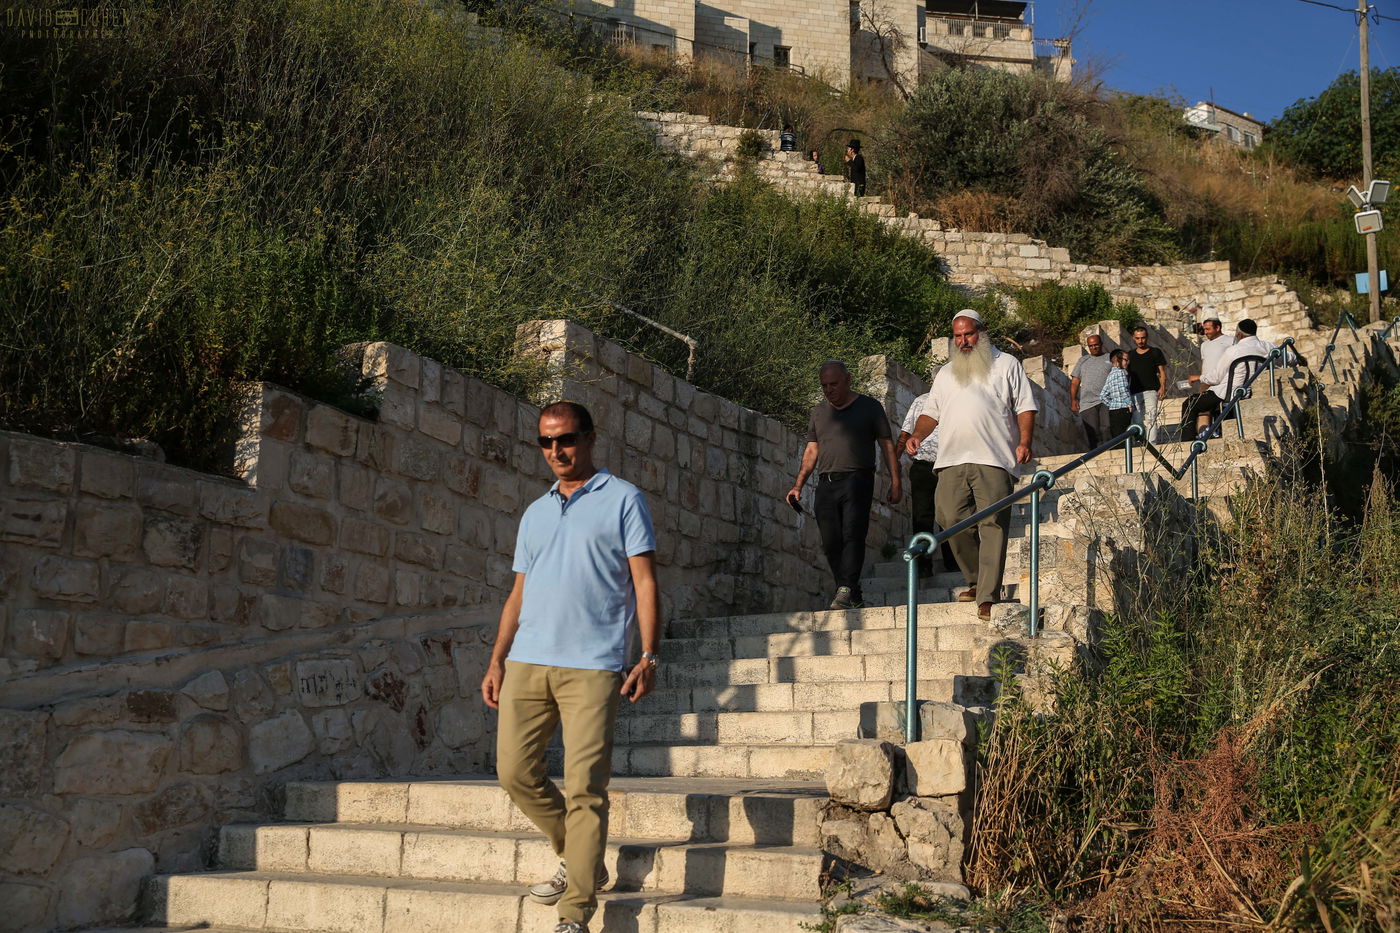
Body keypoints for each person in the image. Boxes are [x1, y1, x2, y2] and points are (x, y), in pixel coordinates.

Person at [481, 401, 660, 933]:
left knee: (585, 787)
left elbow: (645, 582)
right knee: (514, 772)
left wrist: (647, 654)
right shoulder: (534, 512)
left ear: (589, 438)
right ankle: (582, 860)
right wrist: (496, 658)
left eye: (566, 439)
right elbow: (518, 594)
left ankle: (575, 913)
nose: (557, 451)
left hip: (593, 664)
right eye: (546, 442)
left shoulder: (624, 499)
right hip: (527, 662)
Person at [905, 310, 1038, 622]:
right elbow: (931, 412)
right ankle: (977, 579)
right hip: (950, 459)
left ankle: (988, 595)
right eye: (958, 336)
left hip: (993, 458)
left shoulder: (1006, 364)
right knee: (949, 518)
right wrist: (917, 436)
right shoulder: (947, 373)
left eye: (969, 334)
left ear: (982, 332)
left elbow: (1025, 406)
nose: (963, 341)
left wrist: (1025, 441)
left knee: (992, 524)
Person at [787, 360, 902, 610]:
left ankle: (845, 589)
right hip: (826, 483)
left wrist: (895, 481)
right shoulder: (819, 412)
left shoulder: (870, 407)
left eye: (834, 384)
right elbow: (811, 450)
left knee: (853, 534)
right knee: (831, 541)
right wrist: (798, 486)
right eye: (824, 385)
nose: (829, 390)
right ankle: (854, 592)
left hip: (857, 479)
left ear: (848, 380)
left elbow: (887, 445)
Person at [897, 384, 958, 579]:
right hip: (923, 465)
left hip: (949, 464)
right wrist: (895, 462)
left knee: (948, 515)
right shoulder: (921, 400)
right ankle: (923, 565)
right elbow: (906, 432)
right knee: (922, 515)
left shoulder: (957, 399)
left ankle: (953, 563)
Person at [1189, 319, 1274, 438]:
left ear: (1239, 334)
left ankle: (1186, 443)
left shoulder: (1233, 350)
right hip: (1252, 391)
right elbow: (1291, 357)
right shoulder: (1268, 347)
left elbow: (1216, 378)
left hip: (1229, 393)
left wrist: (1199, 378)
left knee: (1190, 404)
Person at [1177, 316, 1233, 441]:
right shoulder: (1204, 345)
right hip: (1206, 381)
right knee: (1202, 409)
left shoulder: (1230, 340)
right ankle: (1203, 437)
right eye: (1204, 329)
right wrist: (1201, 380)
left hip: (1223, 382)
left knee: (1220, 409)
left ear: (1217, 327)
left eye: (1208, 329)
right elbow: (1205, 363)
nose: (1205, 332)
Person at [1069, 334, 1112, 448]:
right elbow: (1075, 381)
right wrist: (1073, 399)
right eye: (1091, 346)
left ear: (1101, 344)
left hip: (1107, 400)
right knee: (1093, 432)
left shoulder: (1110, 358)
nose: (1094, 347)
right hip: (1087, 402)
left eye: (1096, 345)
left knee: (1106, 428)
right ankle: (1096, 456)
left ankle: (1110, 452)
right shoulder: (1083, 360)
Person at [1126, 326, 1167, 443]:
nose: (1140, 341)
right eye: (1138, 338)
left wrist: (1162, 388)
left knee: (1151, 418)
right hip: (1134, 392)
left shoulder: (1155, 352)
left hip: (1151, 391)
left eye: (1143, 338)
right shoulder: (1130, 355)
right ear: (1134, 338)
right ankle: (1141, 442)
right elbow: (1127, 375)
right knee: (1137, 420)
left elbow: (1162, 372)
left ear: (1147, 337)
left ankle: (1152, 444)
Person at [1103, 349, 1134, 437]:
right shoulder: (1121, 373)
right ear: (1117, 360)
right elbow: (1123, 389)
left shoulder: (1110, 375)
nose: (1127, 363)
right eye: (1125, 360)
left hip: (1113, 411)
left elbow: (1103, 396)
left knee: (1117, 436)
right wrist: (1130, 404)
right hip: (1123, 409)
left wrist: (1112, 404)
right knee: (1124, 436)